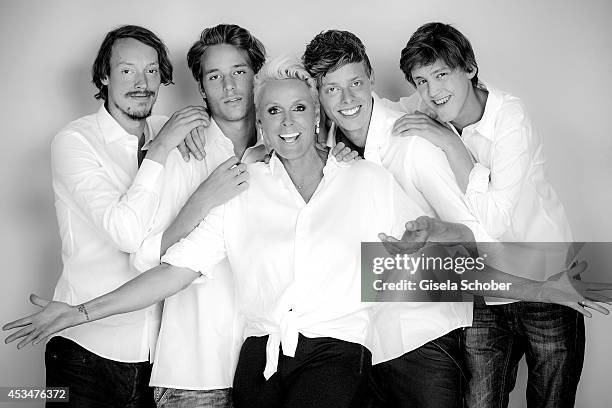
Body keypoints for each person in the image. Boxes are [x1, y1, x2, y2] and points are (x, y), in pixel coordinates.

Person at [4, 56, 609, 407]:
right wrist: (78, 312)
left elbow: (441, 267)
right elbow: (171, 271)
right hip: (257, 362)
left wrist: (553, 288)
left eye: (299, 107)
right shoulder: (241, 190)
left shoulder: (368, 183)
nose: (287, 120)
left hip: (335, 356)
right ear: (260, 122)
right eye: (272, 110)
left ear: (318, 115)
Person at [394, 22, 584, 408]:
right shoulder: (428, 104)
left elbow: (496, 221)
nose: (432, 91)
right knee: (479, 402)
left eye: (442, 74)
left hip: (543, 278)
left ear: (470, 68)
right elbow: (367, 113)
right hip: (486, 287)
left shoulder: (509, 116)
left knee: (552, 400)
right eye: (421, 81)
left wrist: (450, 143)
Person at [302, 29, 490, 407]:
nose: (347, 98)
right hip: (359, 344)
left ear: (371, 77)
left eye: (355, 82)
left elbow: (479, 240)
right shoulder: (327, 154)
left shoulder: (415, 142)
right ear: (318, 95)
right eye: (332, 89)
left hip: (423, 338)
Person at [24, 25, 209, 407]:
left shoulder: (172, 131)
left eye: (152, 71)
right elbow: (126, 234)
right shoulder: (75, 142)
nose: (142, 83)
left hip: (157, 358)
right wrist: (160, 148)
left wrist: (198, 123)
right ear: (104, 76)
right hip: (84, 348)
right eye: (127, 70)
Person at [143, 24, 267, 408]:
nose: (229, 87)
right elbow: (147, 255)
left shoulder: (285, 149)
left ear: (256, 78)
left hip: (267, 373)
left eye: (239, 73)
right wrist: (202, 199)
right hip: (192, 373)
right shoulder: (181, 151)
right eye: (215, 76)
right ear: (201, 88)